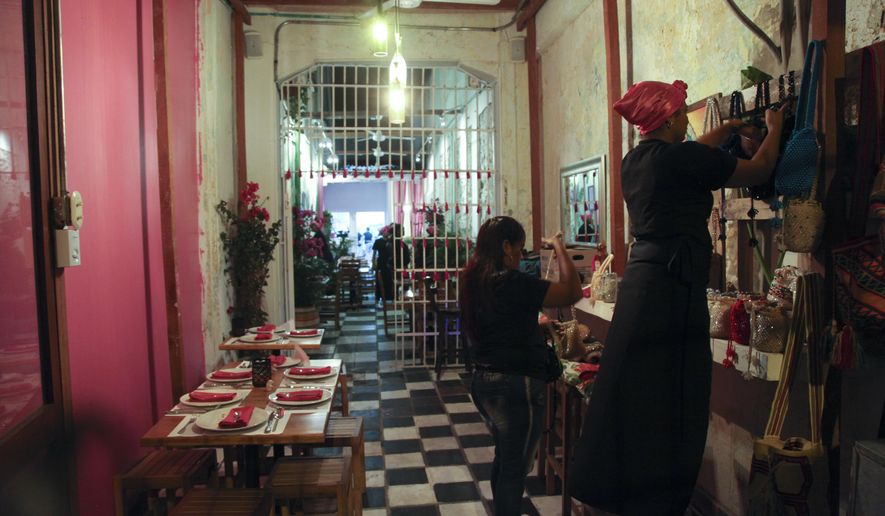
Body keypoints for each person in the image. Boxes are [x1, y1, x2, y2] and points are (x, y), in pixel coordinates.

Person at [568, 80, 785, 515]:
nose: (687, 119)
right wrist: (776, 127)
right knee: (672, 398)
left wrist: (724, 132)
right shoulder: (681, 159)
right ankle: (657, 500)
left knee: (633, 392)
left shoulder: (637, 160)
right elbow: (760, 170)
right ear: (668, 119)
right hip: (671, 293)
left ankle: (621, 493)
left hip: (643, 287)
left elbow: (692, 152)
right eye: (682, 112)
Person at [460, 216, 582, 515]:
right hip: (516, 383)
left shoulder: (473, 279)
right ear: (505, 246)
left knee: (505, 459)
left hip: (484, 382)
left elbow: (499, 324)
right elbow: (572, 291)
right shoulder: (512, 281)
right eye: (519, 248)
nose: (520, 255)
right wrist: (559, 247)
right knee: (514, 468)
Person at [377, 223, 410, 301]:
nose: (404, 231)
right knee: (402, 285)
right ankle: (401, 301)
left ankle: (400, 300)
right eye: (402, 230)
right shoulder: (394, 242)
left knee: (402, 286)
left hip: (399, 267)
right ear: (398, 231)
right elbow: (393, 256)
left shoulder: (394, 241)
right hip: (398, 268)